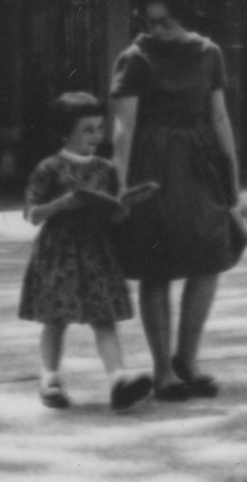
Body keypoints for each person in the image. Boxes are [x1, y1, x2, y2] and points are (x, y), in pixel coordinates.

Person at [109, 0, 247, 402]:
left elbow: (219, 116)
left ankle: (186, 359)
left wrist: (231, 168)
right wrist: (120, 183)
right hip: (151, 166)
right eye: (151, 22)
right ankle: (161, 373)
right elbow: (124, 125)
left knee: (209, 256)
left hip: (197, 162)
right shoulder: (134, 58)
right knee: (157, 266)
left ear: (185, 16)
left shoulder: (208, 54)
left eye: (167, 21)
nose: (158, 30)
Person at [18, 91, 156, 413]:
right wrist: (62, 203)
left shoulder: (105, 170)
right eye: (87, 130)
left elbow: (109, 208)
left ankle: (118, 379)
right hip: (59, 253)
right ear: (65, 133)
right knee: (55, 319)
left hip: (95, 251)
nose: (96, 136)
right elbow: (32, 213)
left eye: (99, 128)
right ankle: (50, 378)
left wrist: (121, 210)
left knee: (103, 318)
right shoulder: (49, 168)